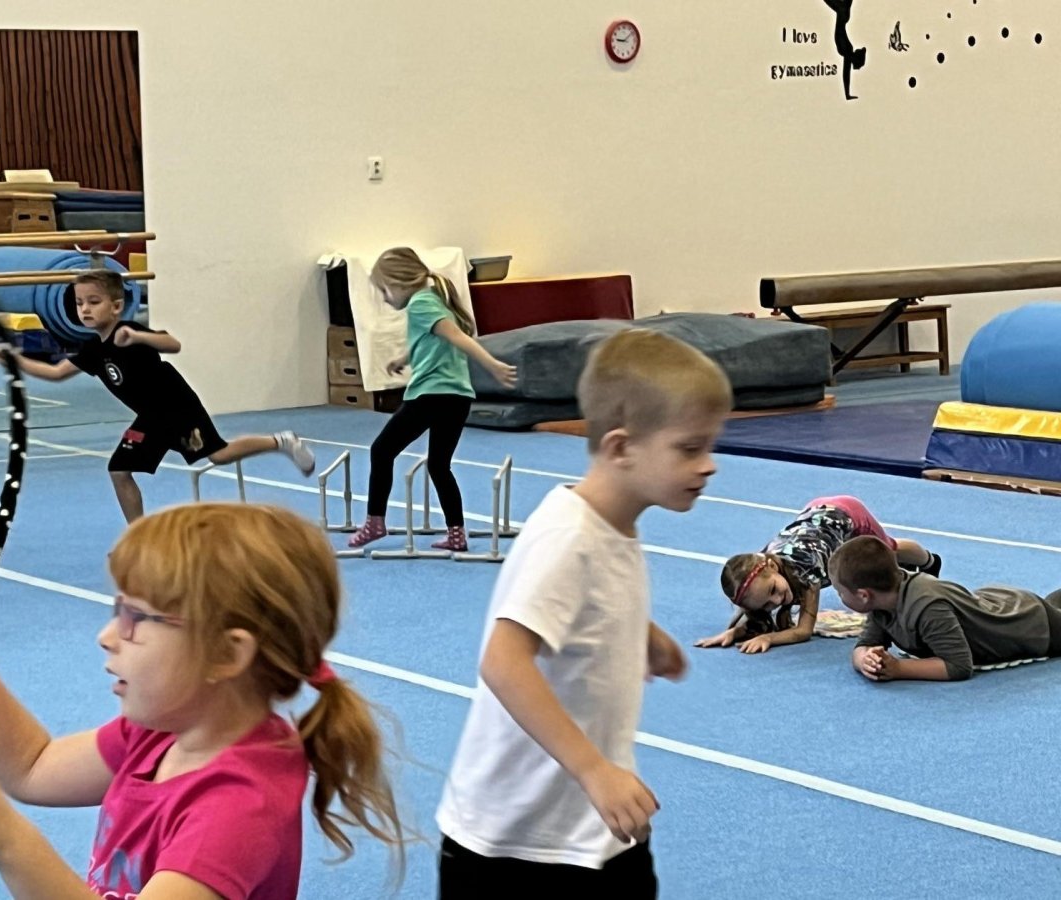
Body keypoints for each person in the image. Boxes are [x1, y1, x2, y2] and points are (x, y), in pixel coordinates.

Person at [0, 503, 402, 898]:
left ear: (226, 653)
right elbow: (32, 767)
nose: (106, 636)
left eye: (135, 618)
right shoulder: (161, 734)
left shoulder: (239, 805)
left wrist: (9, 842)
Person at [435, 329, 732, 897]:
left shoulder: (612, 525)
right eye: (689, 448)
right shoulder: (569, 538)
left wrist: (640, 633)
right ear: (621, 449)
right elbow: (503, 661)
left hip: (593, 827)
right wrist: (594, 770)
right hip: (513, 844)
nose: (709, 465)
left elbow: (585, 604)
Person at [0, 270, 315, 522]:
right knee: (120, 470)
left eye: (94, 302)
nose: (85, 309)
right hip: (151, 417)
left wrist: (138, 337)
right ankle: (138, 535)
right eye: (80, 303)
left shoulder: (129, 331)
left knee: (218, 454)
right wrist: (12, 359)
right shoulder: (93, 349)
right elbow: (56, 373)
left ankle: (281, 441)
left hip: (177, 407)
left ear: (116, 306)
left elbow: (173, 344)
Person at [348, 247, 517, 552]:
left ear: (400, 283)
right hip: (457, 397)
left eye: (385, 290)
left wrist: (492, 365)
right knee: (439, 466)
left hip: (432, 395)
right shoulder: (434, 298)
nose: (385, 298)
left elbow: (457, 337)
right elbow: (432, 340)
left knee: (381, 451)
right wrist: (404, 358)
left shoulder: (420, 303)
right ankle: (456, 533)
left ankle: (375, 522)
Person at [696, 496, 940, 654]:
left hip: (847, 514)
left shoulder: (805, 567)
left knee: (887, 552)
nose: (777, 601)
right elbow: (757, 615)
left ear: (772, 566)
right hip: (816, 513)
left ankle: (929, 560)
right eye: (767, 604)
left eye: (773, 591)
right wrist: (734, 632)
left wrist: (770, 638)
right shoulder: (760, 572)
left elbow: (803, 631)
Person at [829, 534, 1061, 681]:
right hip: (1002, 604)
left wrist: (899, 668)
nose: (840, 596)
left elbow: (958, 666)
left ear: (864, 595)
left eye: (840, 592)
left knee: (1053, 613)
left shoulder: (928, 609)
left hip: (1032, 626)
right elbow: (865, 644)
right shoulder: (883, 601)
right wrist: (866, 660)